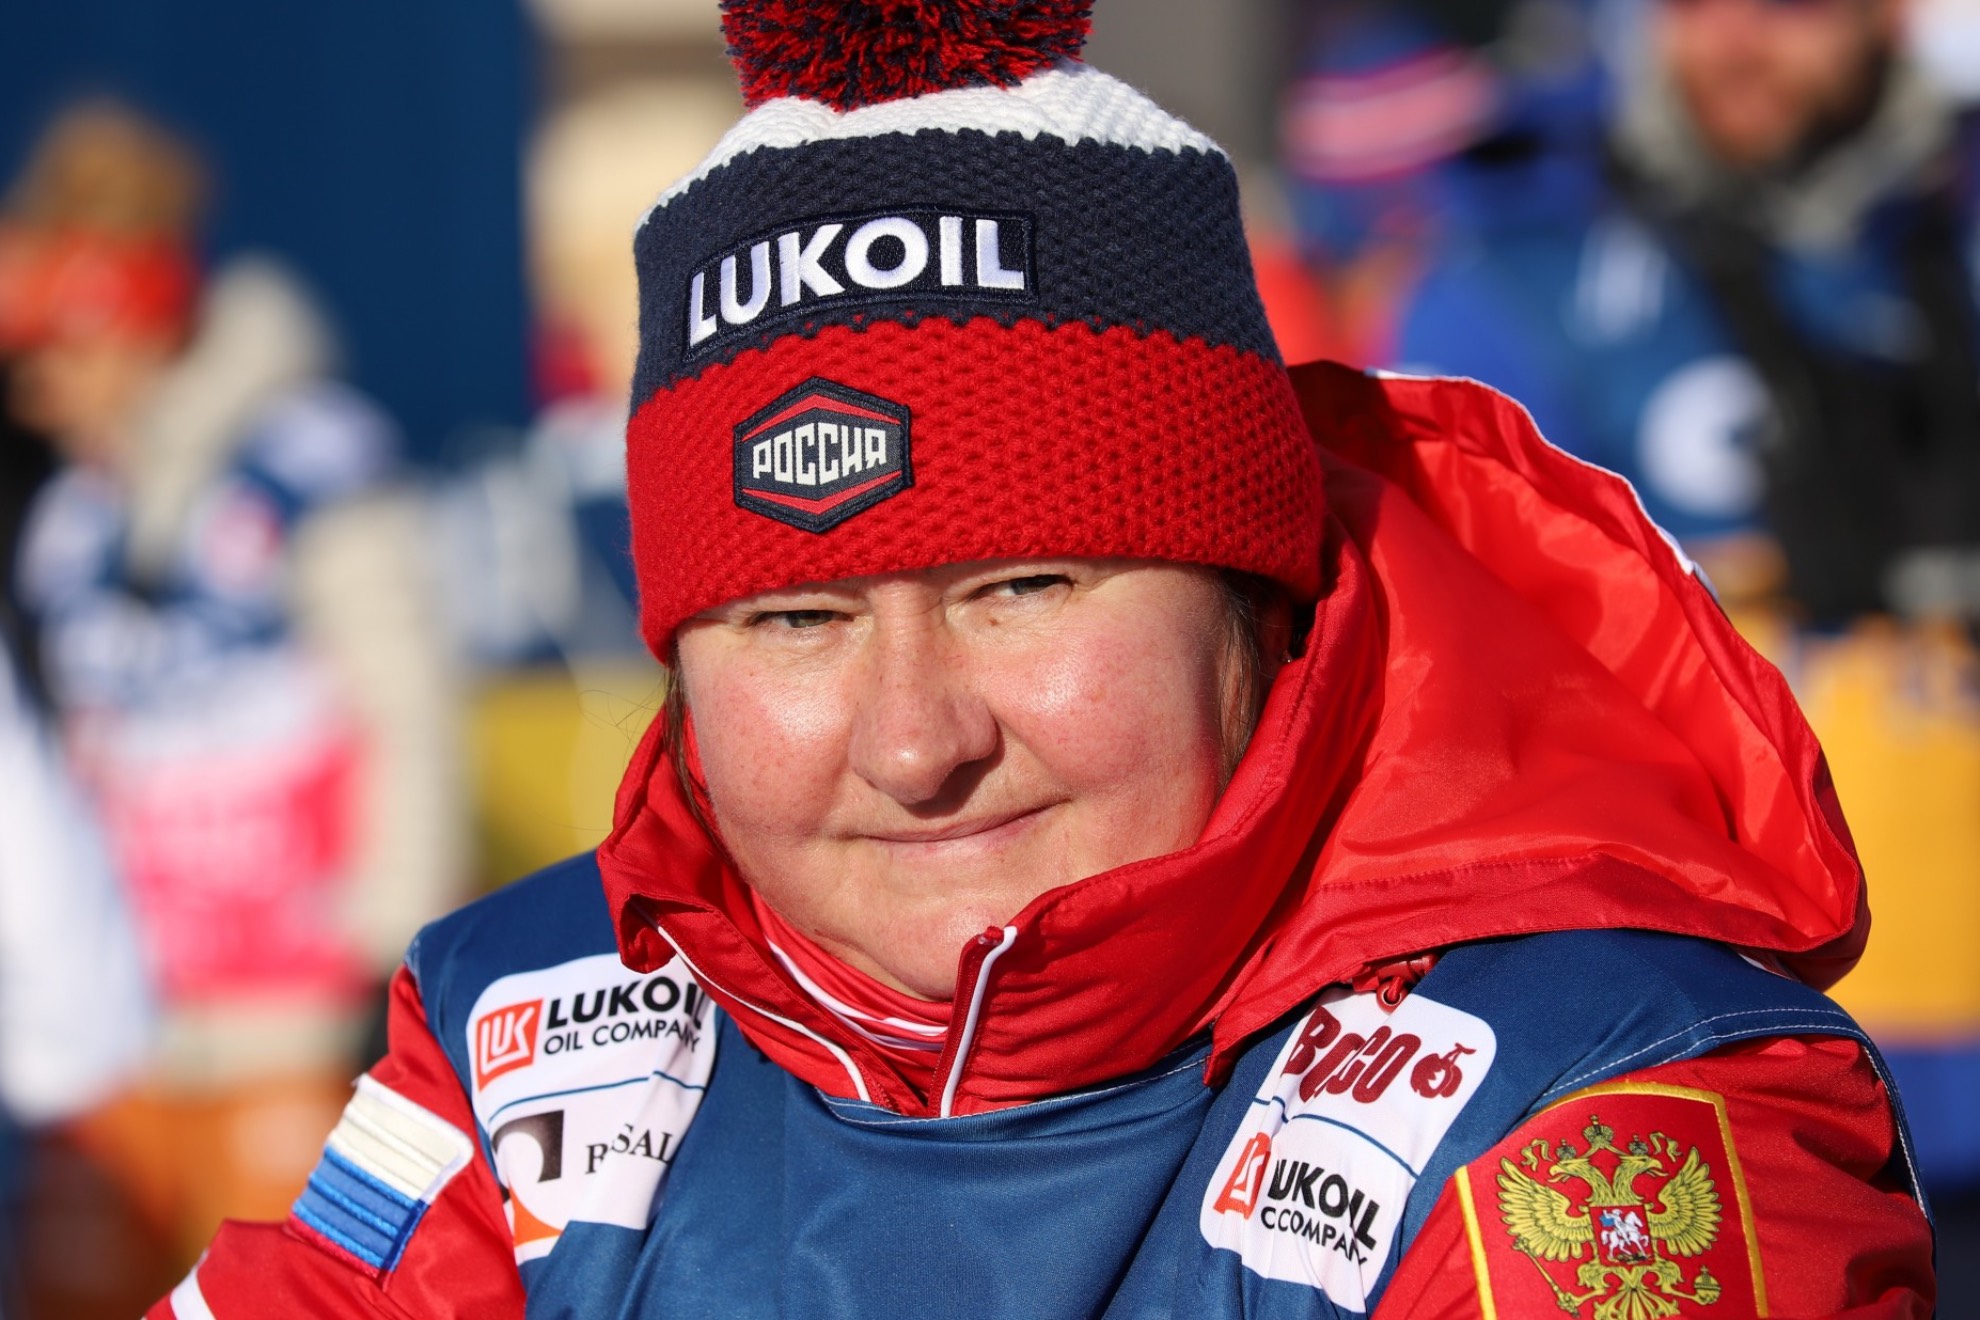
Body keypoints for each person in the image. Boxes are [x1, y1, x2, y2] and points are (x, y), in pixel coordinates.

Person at [156, 2, 1932, 1316]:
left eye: (1025, 588)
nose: (916, 739)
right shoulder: (534, 1025)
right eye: (796, 618)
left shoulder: (1604, 1105)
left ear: (1258, 592)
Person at [1391, 0, 1980, 1193]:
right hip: (1728, 1054)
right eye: (1694, 4)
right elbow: (1434, 666)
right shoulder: (1524, 261)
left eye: (1790, 6)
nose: (1737, 40)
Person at [0, 102, 466, 1306]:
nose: (40, 393)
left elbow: (407, 705)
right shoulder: (73, 515)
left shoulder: (309, 460)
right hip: (129, 1018)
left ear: (129, 315)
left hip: (292, 1005)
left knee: (298, 1290)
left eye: (59, 352)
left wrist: (389, 947)